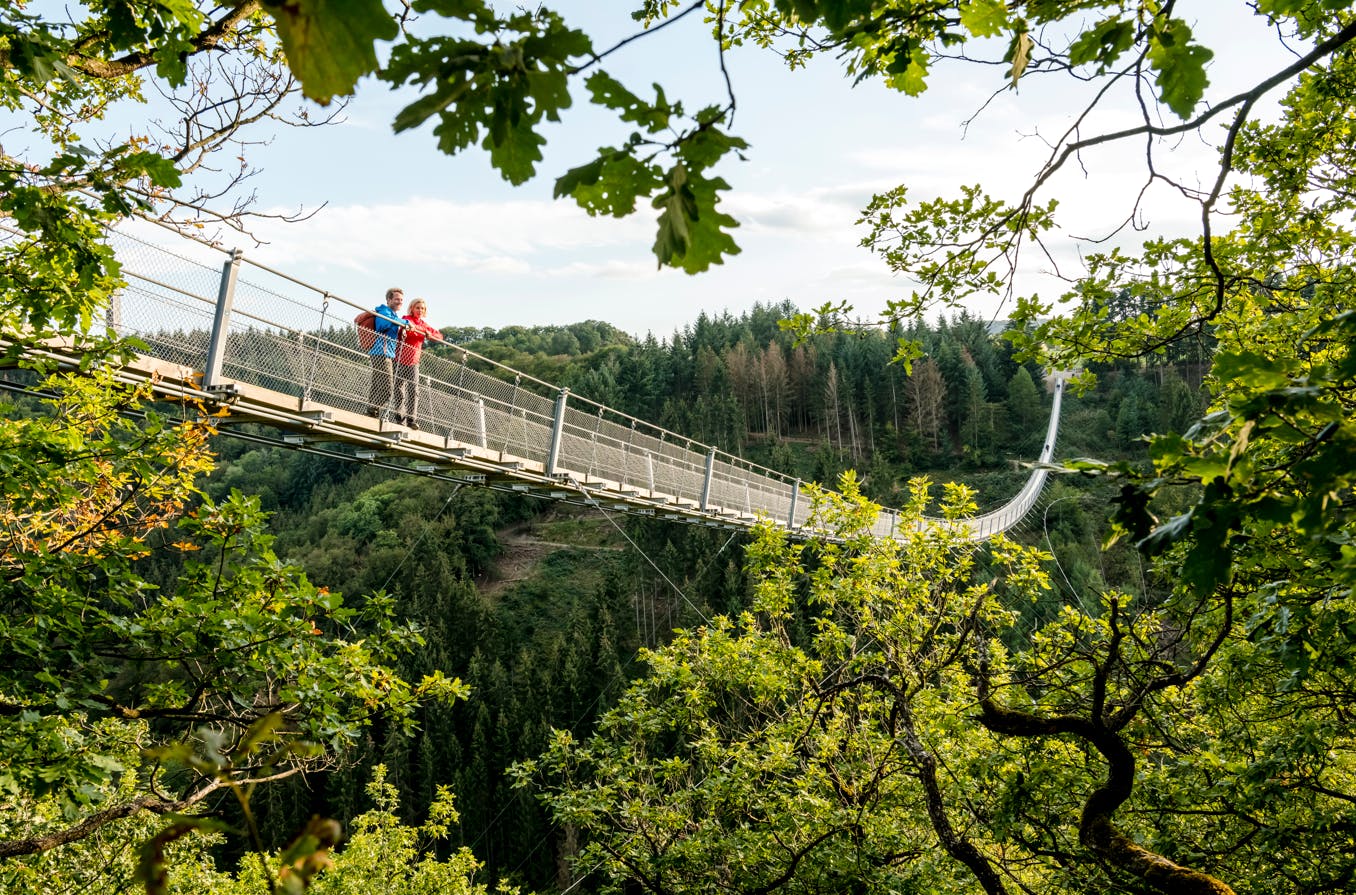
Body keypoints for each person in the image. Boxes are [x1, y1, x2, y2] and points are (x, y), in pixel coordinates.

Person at [393, 297, 445, 429]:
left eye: (422, 308)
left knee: (413, 389)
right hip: (399, 359)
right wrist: (423, 333)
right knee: (399, 387)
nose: (420, 310)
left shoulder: (423, 325)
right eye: (417, 308)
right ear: (412, 308)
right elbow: (408, 330)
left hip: (414, 361)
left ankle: (412, 418)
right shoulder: (406, 319)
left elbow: (439, 336)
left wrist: (429, 335)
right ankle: (400, 415)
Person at [366, 287, 404, 418]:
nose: (400, 302)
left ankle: (371, 413)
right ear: (389, 300)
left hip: (385, 353)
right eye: (397, 299)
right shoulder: (383, 311)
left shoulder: (393, 314)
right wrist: (404, 323)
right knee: (387, 388)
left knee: (377, 385)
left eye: (401, 300)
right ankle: (372, 409)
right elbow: (384, 324)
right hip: (381, 353)